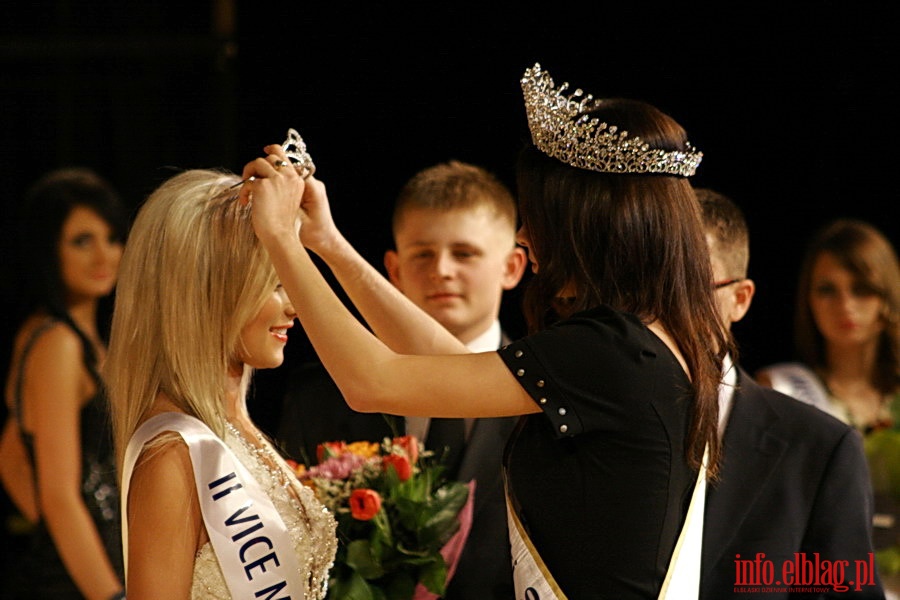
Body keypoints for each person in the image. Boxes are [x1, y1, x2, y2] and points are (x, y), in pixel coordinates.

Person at [242, 63, 731, 598]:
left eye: (537, 214)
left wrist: (280, 240)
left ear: (585, 223)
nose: (524, 235)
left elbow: (372, 382)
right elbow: (448, 364)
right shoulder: (643, 340)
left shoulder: (610, 350)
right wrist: (328, 244)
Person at [277, 159, 525, 599]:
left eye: (464, 253)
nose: (441, 270)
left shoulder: (541, 395)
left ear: (512, 266)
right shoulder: (319, 393)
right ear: (392, 267)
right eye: (423, 254)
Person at [103, 169, 337, 599]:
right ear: (208, 290)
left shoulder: (234, 427)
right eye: (274, 283)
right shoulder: (174, 454)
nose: (295, 305)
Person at [696, 188, 884, 599]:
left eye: (694, 288)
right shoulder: (598, 420)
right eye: (827, 289)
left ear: (740, 298)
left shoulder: (817, 441)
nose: (845, 306)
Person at [0, 168, 126, 599]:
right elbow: (58, 495)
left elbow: (10, 452)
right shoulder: (57, 343)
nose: (104, 256)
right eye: (81, 241)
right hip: (76, 582)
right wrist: (111, 595)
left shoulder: (78, 337)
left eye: (112, 238)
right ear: (46, 250)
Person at [756, 218, 900, 591]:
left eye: (862, 289)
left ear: (888, 295)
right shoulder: (781, 390)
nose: (845, 305)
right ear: (807, 299)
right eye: (827, 290)